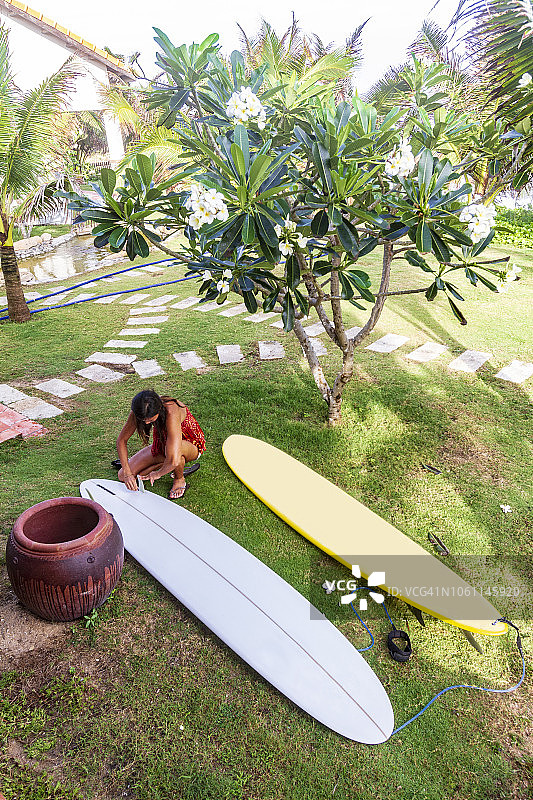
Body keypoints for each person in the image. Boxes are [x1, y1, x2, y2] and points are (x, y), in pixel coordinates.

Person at [116, 390, 206, 499]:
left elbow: (174, 460)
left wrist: (157, 474)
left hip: (190, 445)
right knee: (122, 476)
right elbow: (121, 440)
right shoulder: (139, 410)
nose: (146, 423)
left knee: (175, 456)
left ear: (158, 410)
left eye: (150, 419)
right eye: (143, 420)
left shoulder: (171, 411)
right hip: (163, 445)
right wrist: (127, 473)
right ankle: (163, 463)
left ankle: (179, 479)